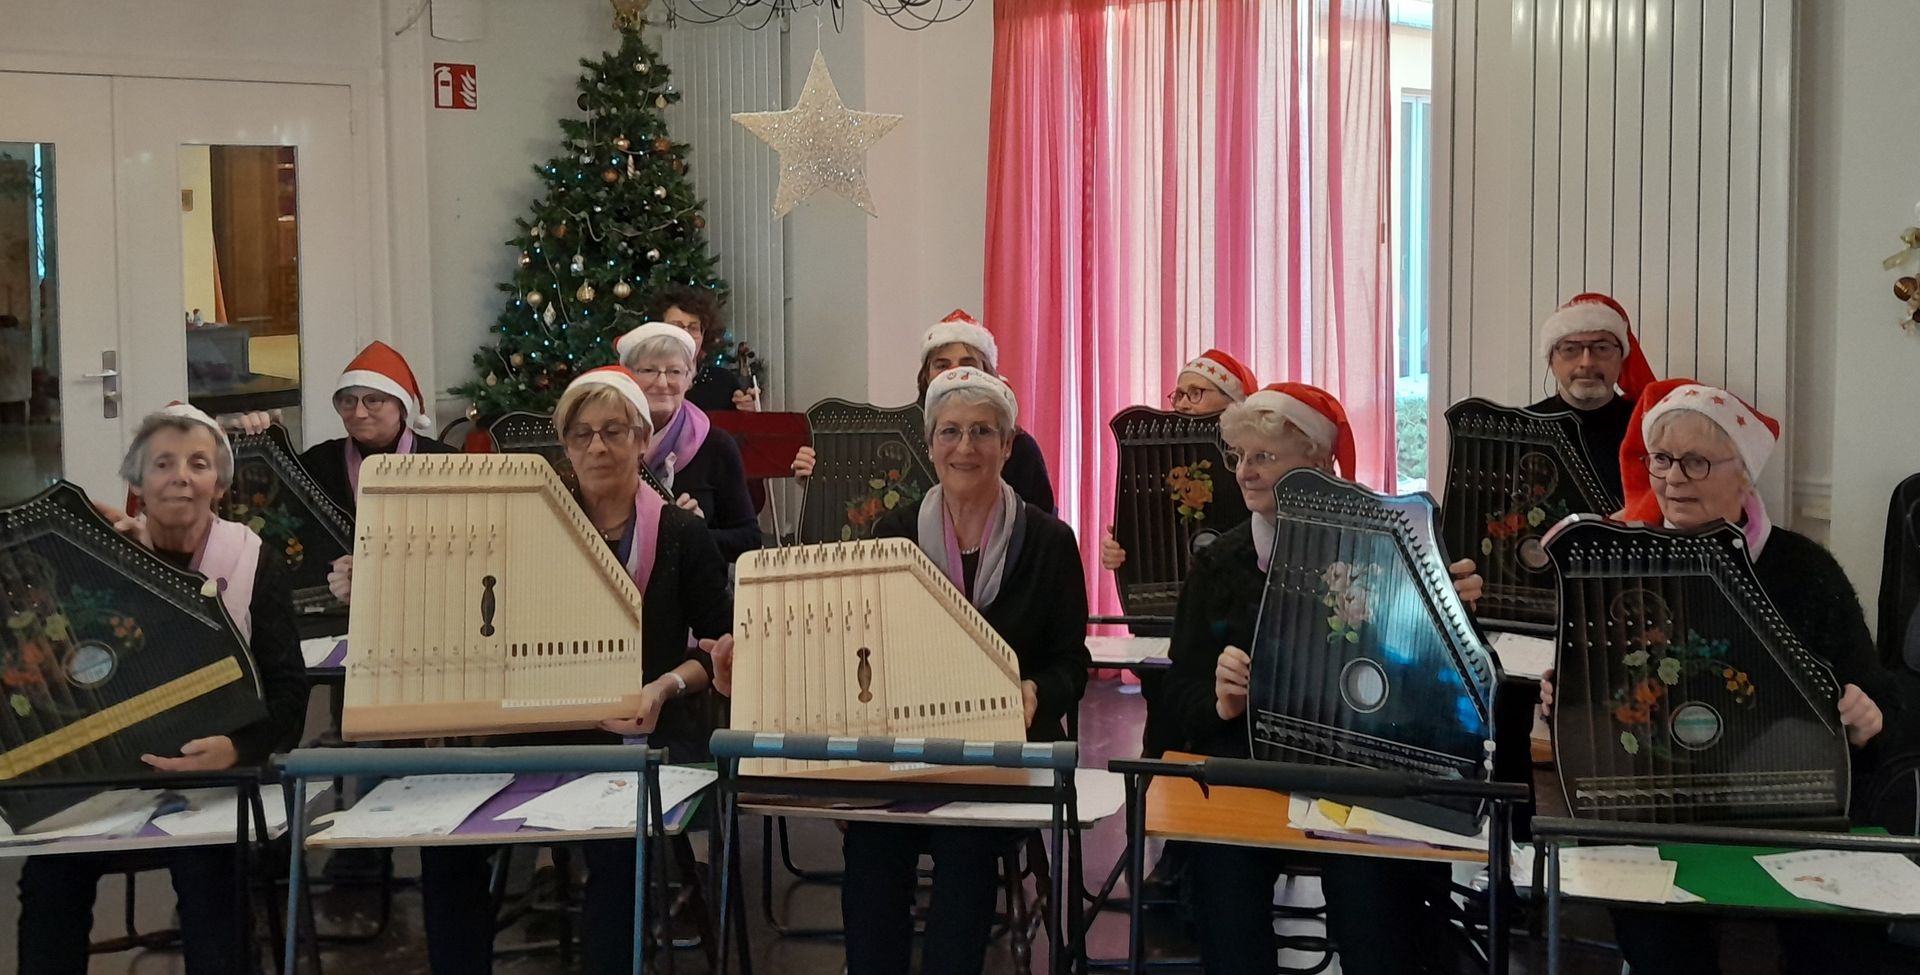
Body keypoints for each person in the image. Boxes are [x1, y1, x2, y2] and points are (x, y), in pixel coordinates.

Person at [1538, 378, 1902, 975]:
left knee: (1838, 949)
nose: (1673, 478)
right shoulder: (1617, 563)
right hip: (1652, 808)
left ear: (1744, 476)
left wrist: (1867, 717)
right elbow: (1602, 706)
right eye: (1661, 459)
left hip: (1790, 812)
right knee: (1659, 945)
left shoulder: (1803, 570)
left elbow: (1877, 696)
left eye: (1697, 462)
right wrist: (1566, 698)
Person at [1150, 383, 1486, 975]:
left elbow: (1442, 693)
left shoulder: (1384, 549)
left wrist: (1448, 620)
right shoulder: (1220, 561)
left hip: (1358, 776)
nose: (1245, 473)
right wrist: (1218, 701)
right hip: (1249, 772)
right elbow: (1176, 691)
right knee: (1225, 897)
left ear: (1318, 462)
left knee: (1373, 906)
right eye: (1239, 457)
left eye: (1264, 457)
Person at [411, 366, 733, 974]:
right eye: (581, 434)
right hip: (539, 727)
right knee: (444, 848)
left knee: (616, 852)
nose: (597, 447)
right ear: (565, 444)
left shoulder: (682, 534)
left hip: (643, 732)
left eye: (614, 431)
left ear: (643, 439)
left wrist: (662, 687)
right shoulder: (530, 523)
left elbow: (716, 646)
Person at [17, 404, 308, 975]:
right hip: (103, 779)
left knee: (212, 878)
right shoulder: (96, 558)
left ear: (219, 485)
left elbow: (289, 696)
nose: (181, 477)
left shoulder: (253, 561)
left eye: (198, 464)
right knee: (50, 879)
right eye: (163, 464)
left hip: (212, 782)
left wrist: (237, 749)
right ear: (136, 484)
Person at [221, 341, 458, 604]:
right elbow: (282, 526)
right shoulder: (317, 463)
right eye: (348, 401)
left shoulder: (446, 463)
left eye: (373, 401)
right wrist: (234, 435)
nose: (359, 412)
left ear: (401, 407)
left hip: (425, 601)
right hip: (333, 607)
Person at [789, 310, 1058, 514]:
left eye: (967, 364)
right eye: (942, 365)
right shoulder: (894, 442)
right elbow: (867, 506)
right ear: (926, 376)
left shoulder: (1020, 450)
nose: (954, 374)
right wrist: (820, 480)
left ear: (988, 373)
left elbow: (1040, 534)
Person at [1098, 348, 1258, 573]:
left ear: (1233, 401)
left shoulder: (1256, 462)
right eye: (1179, 395)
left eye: (1195, 393)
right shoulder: (1160, 462)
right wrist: (1121, 547)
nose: (1182, 404)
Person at [614, 322, 762, 563]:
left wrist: (695, 534)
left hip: (695, 584)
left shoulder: (716, 445)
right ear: (629, 378)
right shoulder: (607, 442)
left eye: (674, 371)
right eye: (649, 370)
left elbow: (749, 540)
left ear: (689, 379)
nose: (662, 382)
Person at [1529, 293, 1658, 492]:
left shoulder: (1650, 429)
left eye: (1602, 348)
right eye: (1570, 349)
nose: (1587, 362)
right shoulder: (1521, 428)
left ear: (1622, 359)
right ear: (1551, 361)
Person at [646, 284, 759, 414]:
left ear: (703, 334)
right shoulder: (644, 381)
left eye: (693, 328)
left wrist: (748, 411)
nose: (685, 335)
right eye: (676, 327)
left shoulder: (724, 381)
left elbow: (741, 424)